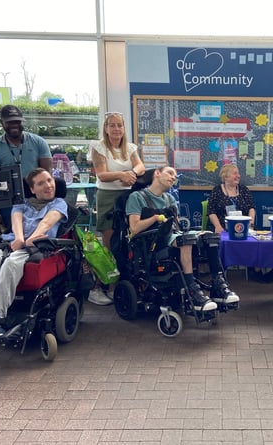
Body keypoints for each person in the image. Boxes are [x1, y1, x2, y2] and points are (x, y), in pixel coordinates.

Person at [0, 168, 68, 338]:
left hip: (37, 247)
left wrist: (34, 237)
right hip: (14, 242)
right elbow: (16, 221)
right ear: (32, 189)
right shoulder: (22, 203)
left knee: (10, 263)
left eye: (49, 180)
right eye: (41, 183)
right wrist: (19, 239)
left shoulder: (59, 203)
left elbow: (47, 222)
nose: (48, 185)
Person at [126, 166, 239, 310]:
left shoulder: (170, 199)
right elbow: (134, 228)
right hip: (150, 241)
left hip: (172, 235)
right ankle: (193, 291)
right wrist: (155, 218)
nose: (173, 178)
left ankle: (218, 286)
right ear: (157, 173)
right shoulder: (137, 197)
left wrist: (195, 233)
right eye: (170, 173)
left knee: (210, 237)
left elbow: (177, 227)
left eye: (175, 176)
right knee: (185, 241)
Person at [88, 111, 145, 305]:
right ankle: (103, 286)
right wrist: (122, 175)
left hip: (127, 197)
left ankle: (122, 284)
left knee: (126, 243)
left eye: (119, 125)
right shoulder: (99, 147)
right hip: (107, 197)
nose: (116, 129)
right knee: (109, 244)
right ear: (105, 128)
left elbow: (141, 167)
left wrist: (130, 173)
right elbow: (102, 174)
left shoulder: (129, 148)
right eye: (112, 125)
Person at [0, 105, 53, 233]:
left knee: (39, 235)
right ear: (1, 123)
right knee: (14, 238)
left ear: (22, 121)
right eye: (9, 122)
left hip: (36, 200)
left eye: (17, 121)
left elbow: (48, 175)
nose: (14, 125)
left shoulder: (38, 142)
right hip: (9, 203)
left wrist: (48, 203)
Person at [207, 164, 256, 233]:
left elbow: (251, 208)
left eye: (238, 173)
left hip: (242, 229)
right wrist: (218, 226)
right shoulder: (217, 190)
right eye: (235, 173)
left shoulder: (244, 190)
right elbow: (211, 211)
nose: (238, 176)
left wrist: (250, 225)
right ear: (225, 177)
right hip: (222, 229)